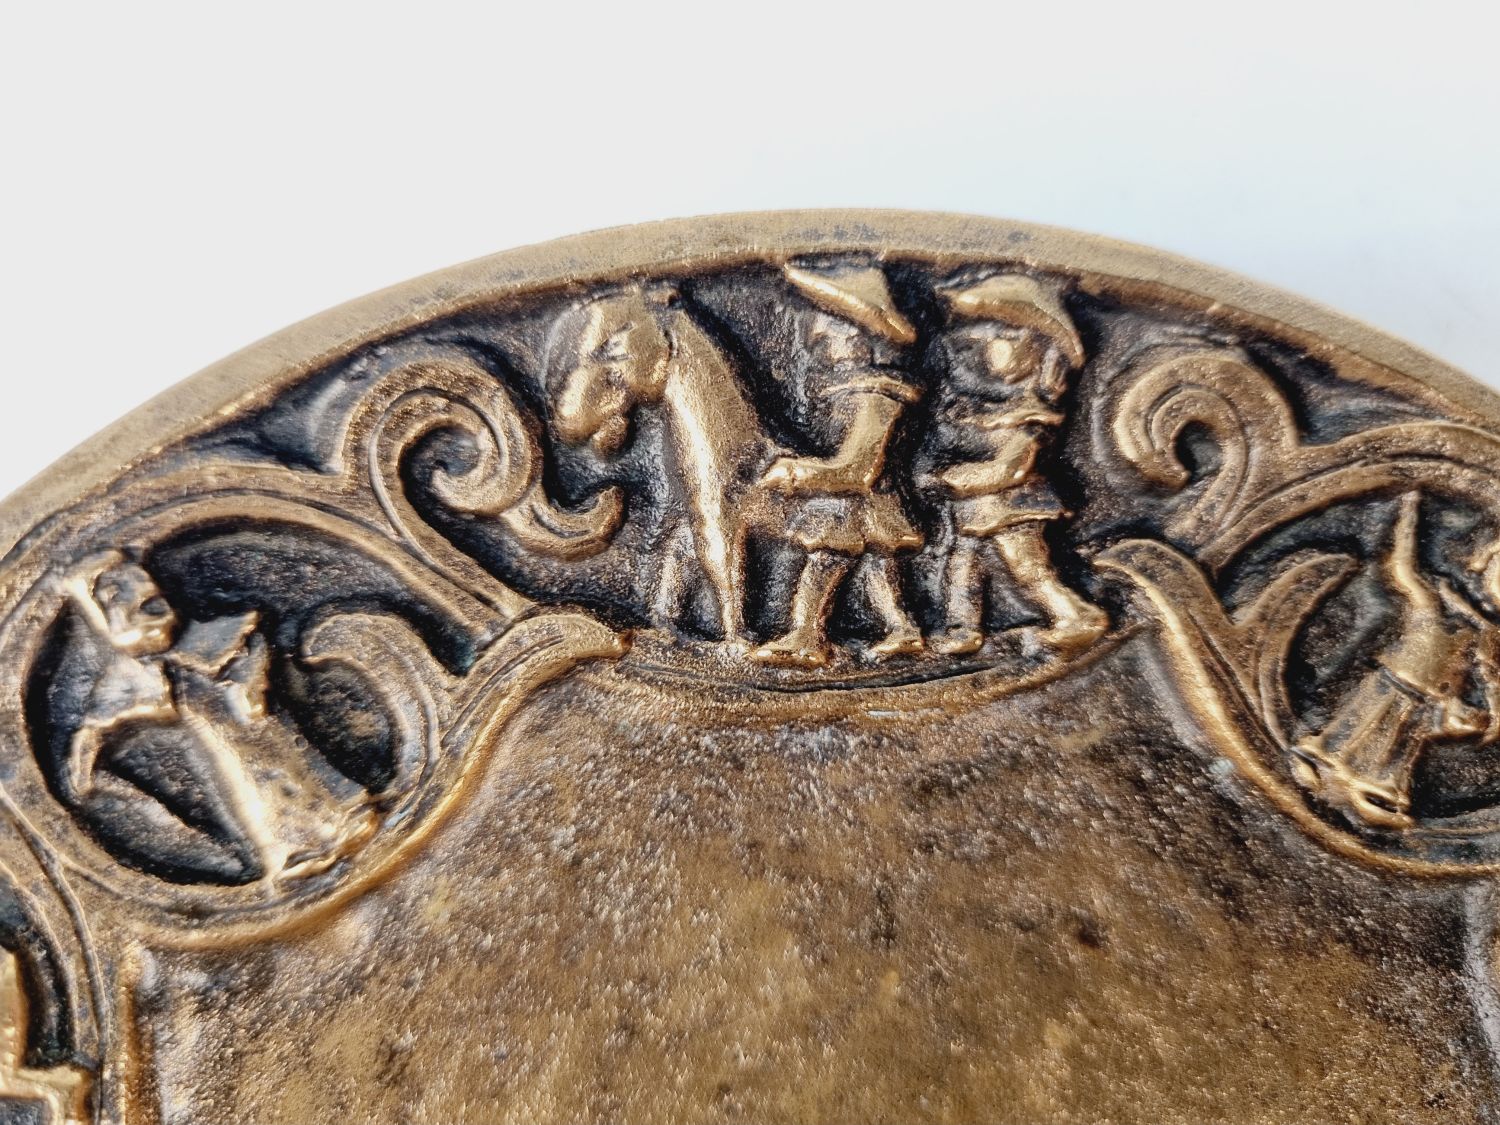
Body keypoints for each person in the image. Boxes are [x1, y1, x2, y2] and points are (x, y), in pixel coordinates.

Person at [920, 272, 1107, 656]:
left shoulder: (1031, 416)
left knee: (1027, 568)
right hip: (972, 510)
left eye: (1003, 335)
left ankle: (1076, 614)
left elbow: (1011, 469)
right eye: (975, 336)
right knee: (960, 566)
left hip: (1011, 508)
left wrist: (957, 479)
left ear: (1040, 350)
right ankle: (962, 628)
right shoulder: (971, 408)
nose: (984, 345)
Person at [753, 262, 924, 667]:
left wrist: (796, 473)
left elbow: (859, 470)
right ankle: (903, 629)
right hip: (861, 503)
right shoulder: (847, 390)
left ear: (862, 336)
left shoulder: (877, 394)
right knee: (878, 565)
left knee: (825, 560)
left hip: (854, 500)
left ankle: (808, 636)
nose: (816, 337)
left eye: (829, 327)